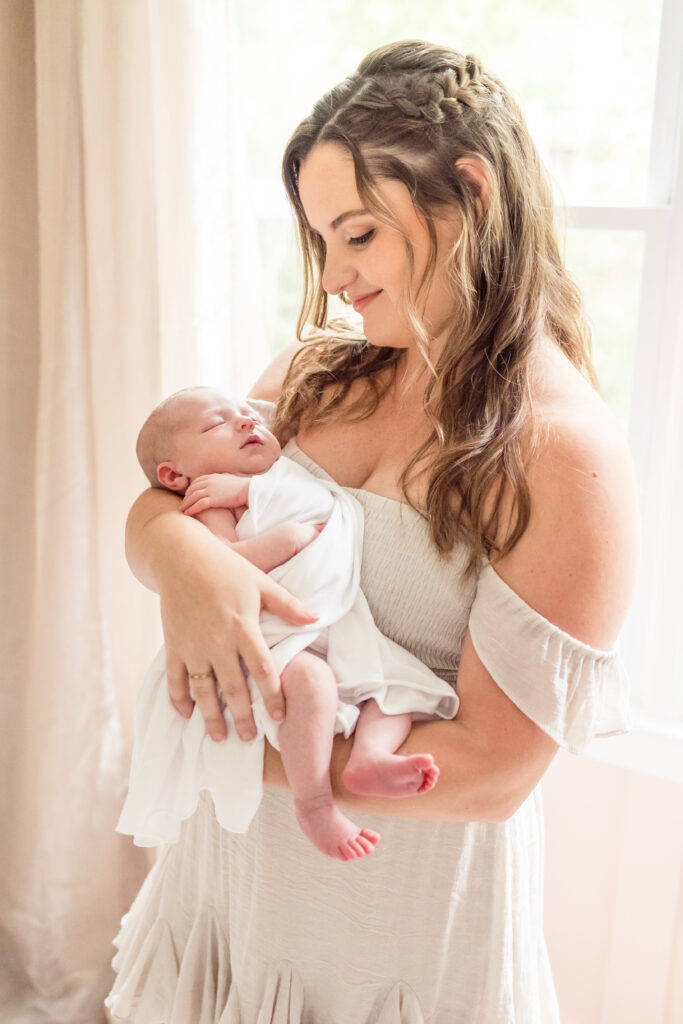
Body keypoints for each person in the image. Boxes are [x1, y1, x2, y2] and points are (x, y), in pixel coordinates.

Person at [106, 40, 639, 1024]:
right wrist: (177, 559)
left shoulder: (566, 457)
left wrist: (205, 746)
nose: (335, 275)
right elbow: (166, 491)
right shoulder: (318, 373)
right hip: (228, 892)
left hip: (391, 942)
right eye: (320, 242)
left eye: (357, 234)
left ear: (468, 194)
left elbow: (487, 773)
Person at [117, 386, 456, 860]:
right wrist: (288, 538)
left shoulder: (278, 475)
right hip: (278, 636)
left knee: (400, 688)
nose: (245, 421)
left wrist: (254, 488)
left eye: (244, 414)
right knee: (312, 685)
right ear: (175, 473)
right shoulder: (211, 502)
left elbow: (327, 504)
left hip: (335, 625)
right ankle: (314, 802)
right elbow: (227, 566)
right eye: (217, 424)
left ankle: (369, 758)